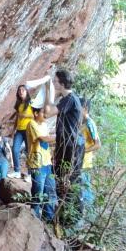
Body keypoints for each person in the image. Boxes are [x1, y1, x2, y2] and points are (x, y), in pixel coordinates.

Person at [44, 70, 85, 200]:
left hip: (70, 145)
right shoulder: (69, 99)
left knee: (65, 177)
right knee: (63, 175)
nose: (54, 83)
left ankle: (66, 212)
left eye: (55, 81)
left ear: (62, 84)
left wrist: (48, 94)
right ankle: (62, 212)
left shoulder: (69, 99)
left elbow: (47, 113)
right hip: (68, 143)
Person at [26, 105, 57, 221]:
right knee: (38, 192)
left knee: (50, 190)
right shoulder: (32, 124)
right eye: (43, 113)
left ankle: (48, 217)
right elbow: (43, 139)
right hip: (37, 163)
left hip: (47, 163)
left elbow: (48, 139)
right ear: (35, 114)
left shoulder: (44, 125)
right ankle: (34, 218)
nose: (46, 116)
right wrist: (59, 135)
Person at [79, 98, 101, 211]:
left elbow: (98, 144)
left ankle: (89, 213)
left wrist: (82, 151)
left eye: (79, 107)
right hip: (78, 161)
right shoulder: (81, 122)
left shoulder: (90, 123)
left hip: (85, 162)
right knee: (81, 188)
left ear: (85, 109)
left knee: (85, 188)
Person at [8, 85, 33, 179]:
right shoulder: (19, 104)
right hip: (19, 130)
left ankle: (30, 174)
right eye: (19, 90)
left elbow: (37, 116)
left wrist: (26, 116)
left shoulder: (31, 102)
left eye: (23, 90)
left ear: (27, 91)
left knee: (29, 152)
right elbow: (17, 118)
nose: (21, 91)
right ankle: (17, 171)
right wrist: (13, 130)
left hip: (28, 130)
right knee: (14, 150)